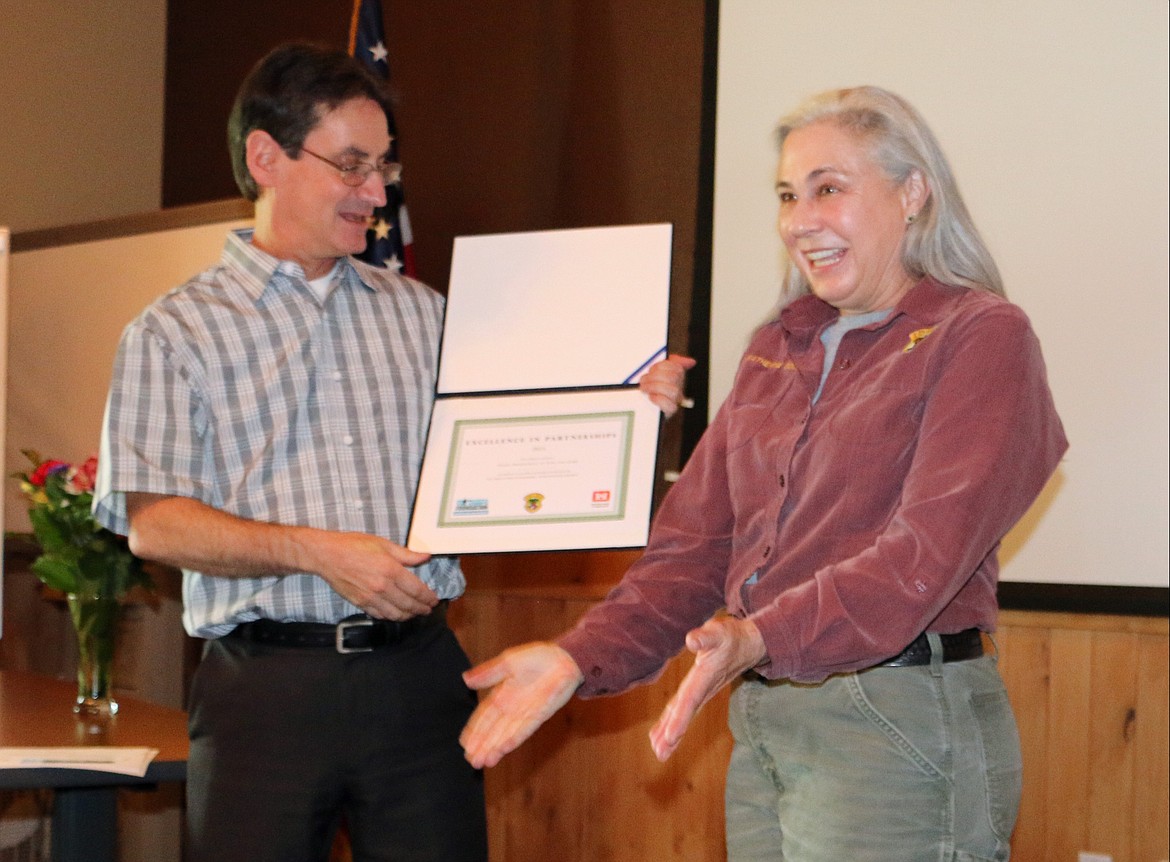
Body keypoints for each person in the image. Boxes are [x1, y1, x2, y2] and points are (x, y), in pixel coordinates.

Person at [93, 42, 690, 862]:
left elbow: (521, 439)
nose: (376, 193)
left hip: (419, 681)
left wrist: (623, 409)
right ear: (266, 157)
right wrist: (319, 553)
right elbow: (154, 526)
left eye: (382, 167)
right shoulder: (170, 333)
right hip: (262, 692)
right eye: (350, 165)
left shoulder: (428, 316)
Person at [459, 85, 1068, 862]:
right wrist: (580, 656)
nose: (799, 220)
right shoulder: (778, 346)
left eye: (829, 189)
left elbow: (921, 558)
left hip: (897, 725)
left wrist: (759, 635)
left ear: (912, 192)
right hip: (766, 722)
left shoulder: (981, 336)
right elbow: (694, 552)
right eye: (787, 195)